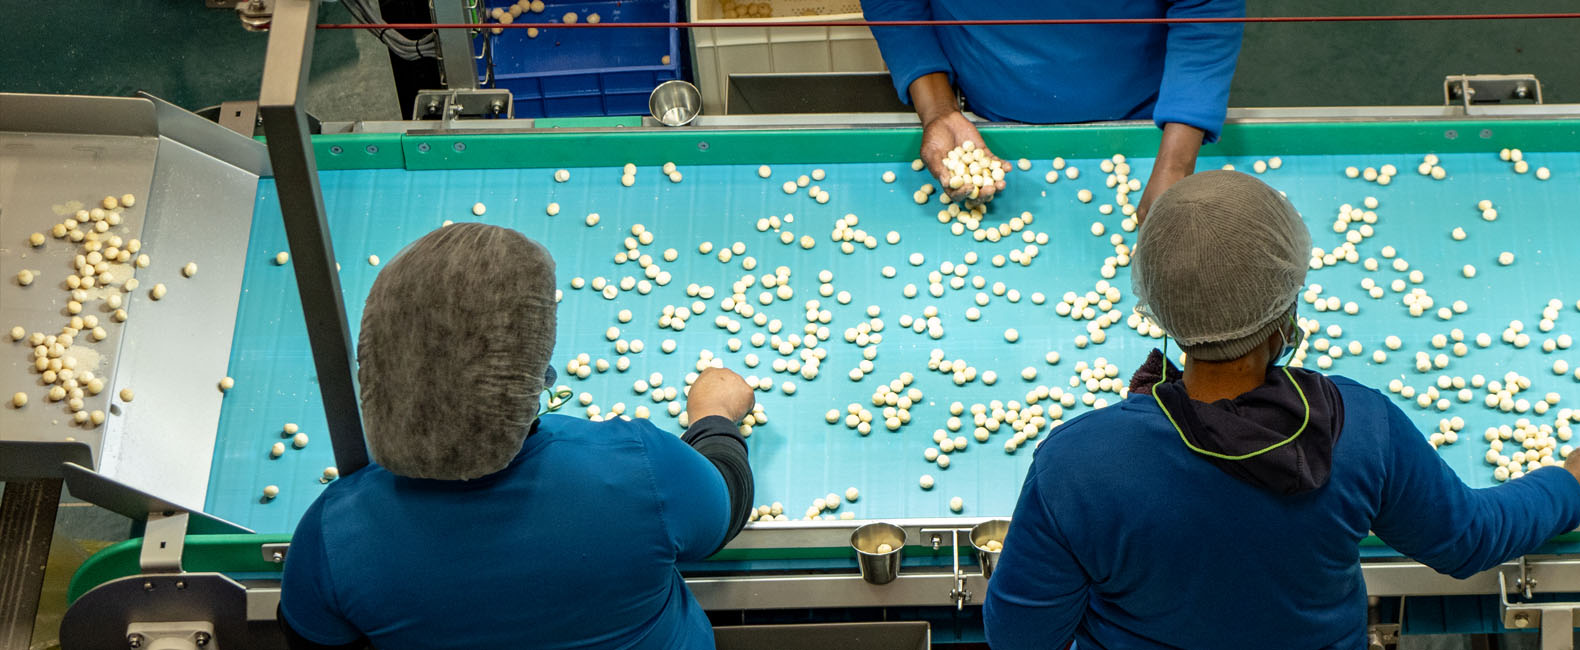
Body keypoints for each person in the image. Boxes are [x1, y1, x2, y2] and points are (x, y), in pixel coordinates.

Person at [982, 171, 1580, 649]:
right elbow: (1469, 539)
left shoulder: (1075, 464)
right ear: (1285, 311)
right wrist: (1572, 484)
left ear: (1159, 307)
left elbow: (1020, 638)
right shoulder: (1362, 431)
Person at [278, 223, 756, 650]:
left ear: (378, 365)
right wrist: (714, 412)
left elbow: (317, 639)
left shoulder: (333, 534)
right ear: (530, 371)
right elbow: (724, 501)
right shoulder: (638, 470)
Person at [861, 0, 1244, 216]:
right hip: (982, 109)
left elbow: (1208, 8)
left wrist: (1175, 165)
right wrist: (939, 110)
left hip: (1147, 113)